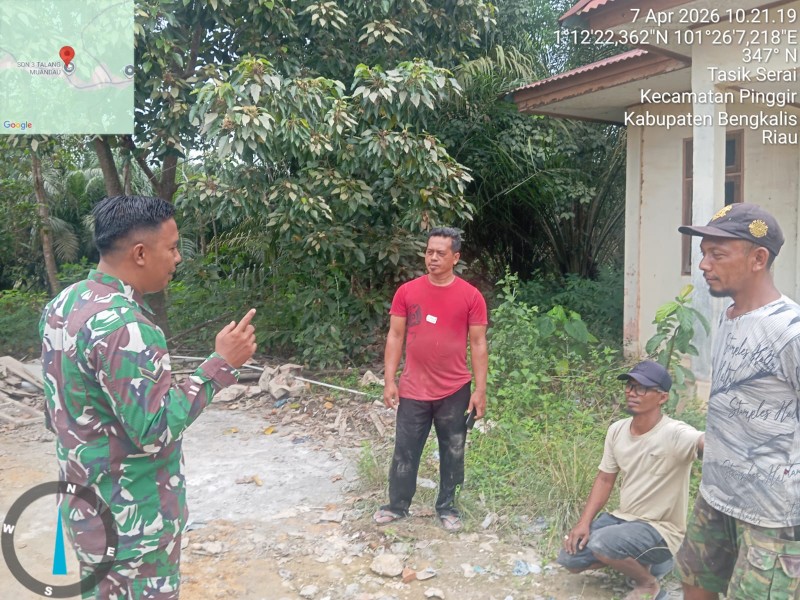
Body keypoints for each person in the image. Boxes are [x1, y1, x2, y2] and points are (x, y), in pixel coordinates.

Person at [40, 195, 257, 599]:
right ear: (140, 253)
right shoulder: (126, 326)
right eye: (172, 248)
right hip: (134, 527)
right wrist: (219, 365)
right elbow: (155, 429)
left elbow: (59, 413)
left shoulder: (61, 306)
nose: (178, 258)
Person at [677, 202, 800, 599]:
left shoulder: (790, 331)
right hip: (717, 494)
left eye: (717, 254)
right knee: (694, 584)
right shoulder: (728, 317)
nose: (703, 265)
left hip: (773, 515)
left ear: (758, 258)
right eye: (702, 253)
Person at [372, 227, 488, 531]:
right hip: (413, 387)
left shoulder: (471, 296)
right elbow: (395, 336)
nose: (433, 258)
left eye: (440, 253)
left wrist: (480, 390)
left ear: (455, 257)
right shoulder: (407, 292)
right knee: (406, 449)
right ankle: (397, 505)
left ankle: (448, 507)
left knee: (453, 449)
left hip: (454, 389)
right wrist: (389, 380)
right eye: (429, 252)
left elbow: (478, 344)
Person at [559, 360, 704, 600]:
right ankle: (644, 562)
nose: (632, 393)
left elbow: (700, 441)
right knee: (570, 558)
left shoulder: (674, 433)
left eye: (642, 388)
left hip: (661, 529)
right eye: (629, 386)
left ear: (662, 397)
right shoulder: (617, 430)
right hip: (623, 520)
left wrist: (721, 440)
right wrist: (584, 522)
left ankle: (648, 584)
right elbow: (605, 479)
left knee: (603, 543)